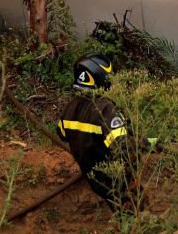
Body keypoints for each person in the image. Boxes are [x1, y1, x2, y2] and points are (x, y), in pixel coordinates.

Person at [57, 53, 156, 211]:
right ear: (102, 78)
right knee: (137, 212)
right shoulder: (104, 108)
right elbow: (123, 147)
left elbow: (62, 134)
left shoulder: (70, 107)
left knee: (118, 207)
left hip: (93, 176)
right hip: (114, 177)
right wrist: (145, 145)